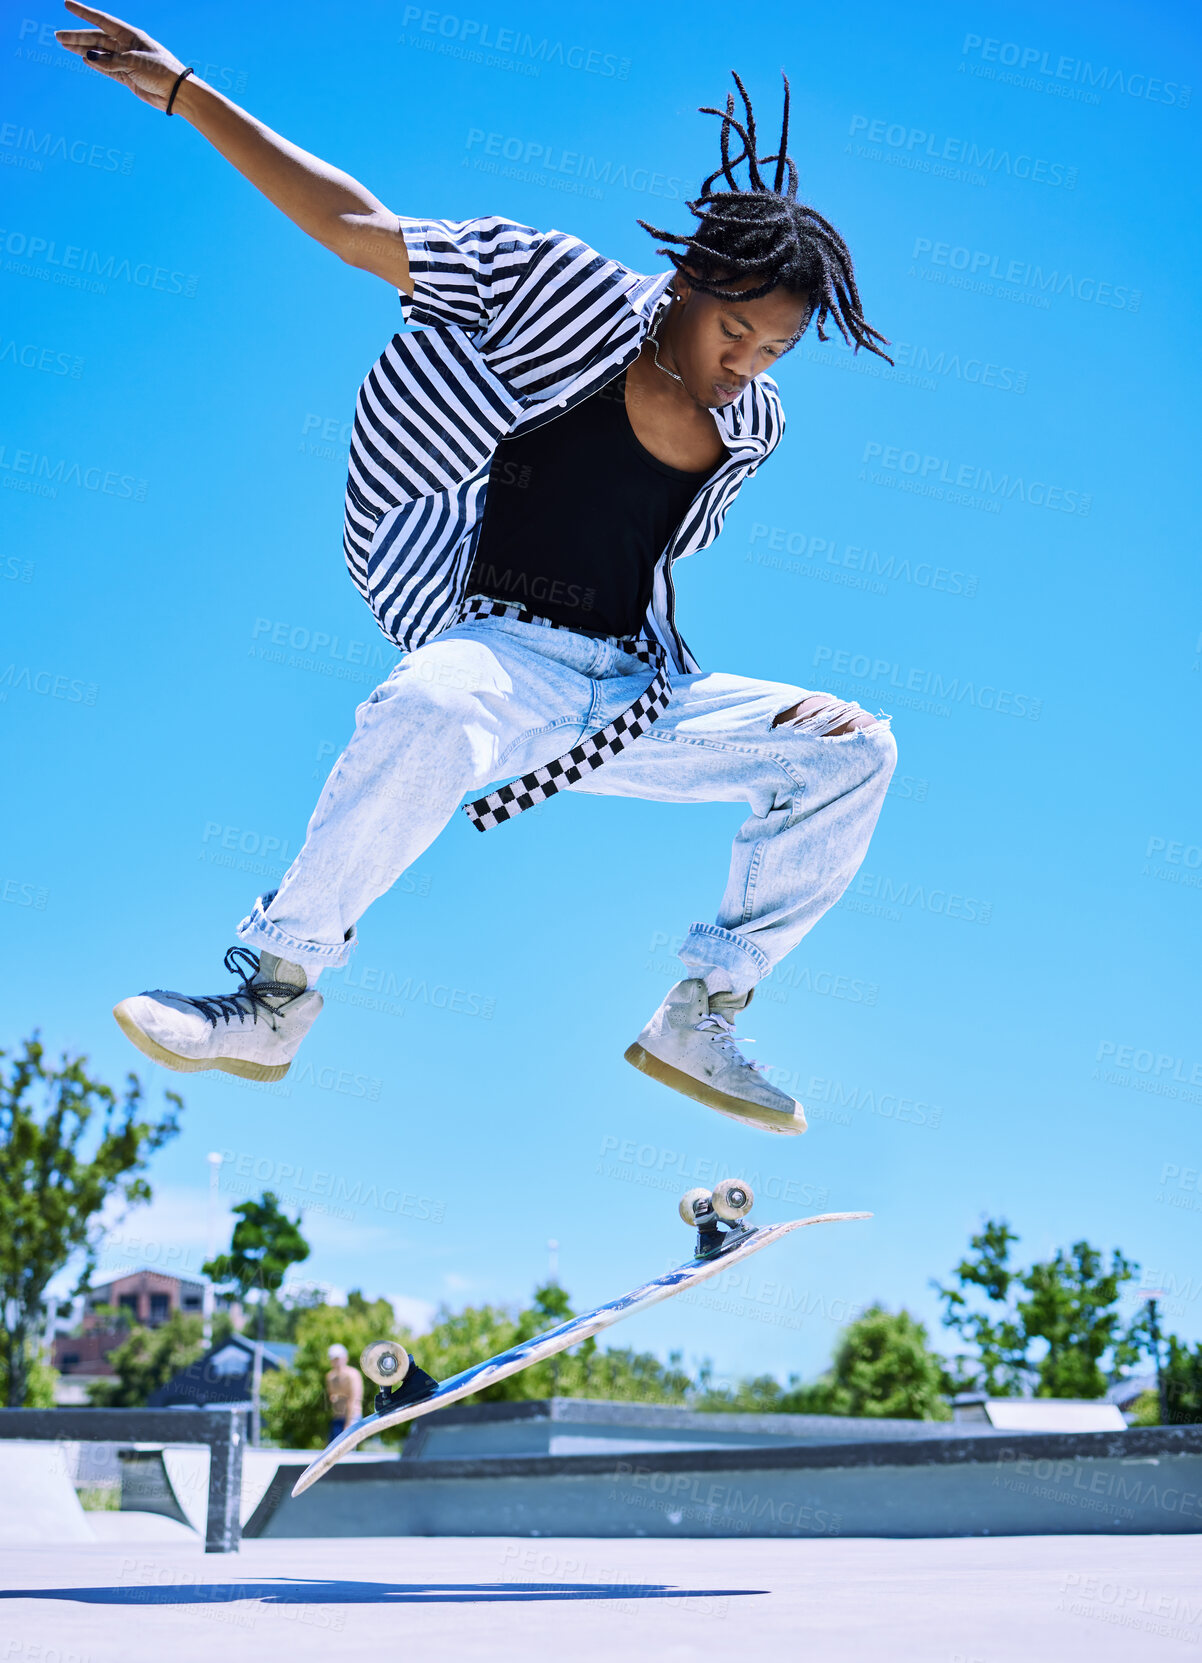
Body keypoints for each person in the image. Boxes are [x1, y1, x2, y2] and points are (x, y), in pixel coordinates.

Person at [59, 5, 898, 1137]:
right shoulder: (554, 289)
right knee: (427, 699)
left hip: (635, 692)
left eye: (771, 351)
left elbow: (658, 547)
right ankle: (274, 995)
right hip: (501, 657)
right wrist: (184, 91)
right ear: (693, 277)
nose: (741, 366)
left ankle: (704, 1007)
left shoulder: (754, 427)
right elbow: (358, 227)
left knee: (852, 747)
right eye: (732, 332)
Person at [324, 1343, 363, 1439]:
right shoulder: (330, 1376)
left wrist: (348, 1423)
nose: (337, 1362)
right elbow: (332, 1396)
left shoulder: (352, 1375)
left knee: (347, 1449)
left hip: (353, 1417)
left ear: (345, 1358)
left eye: (338, 1358)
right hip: (337, 1417)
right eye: (334, 1359)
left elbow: (354, 1400)